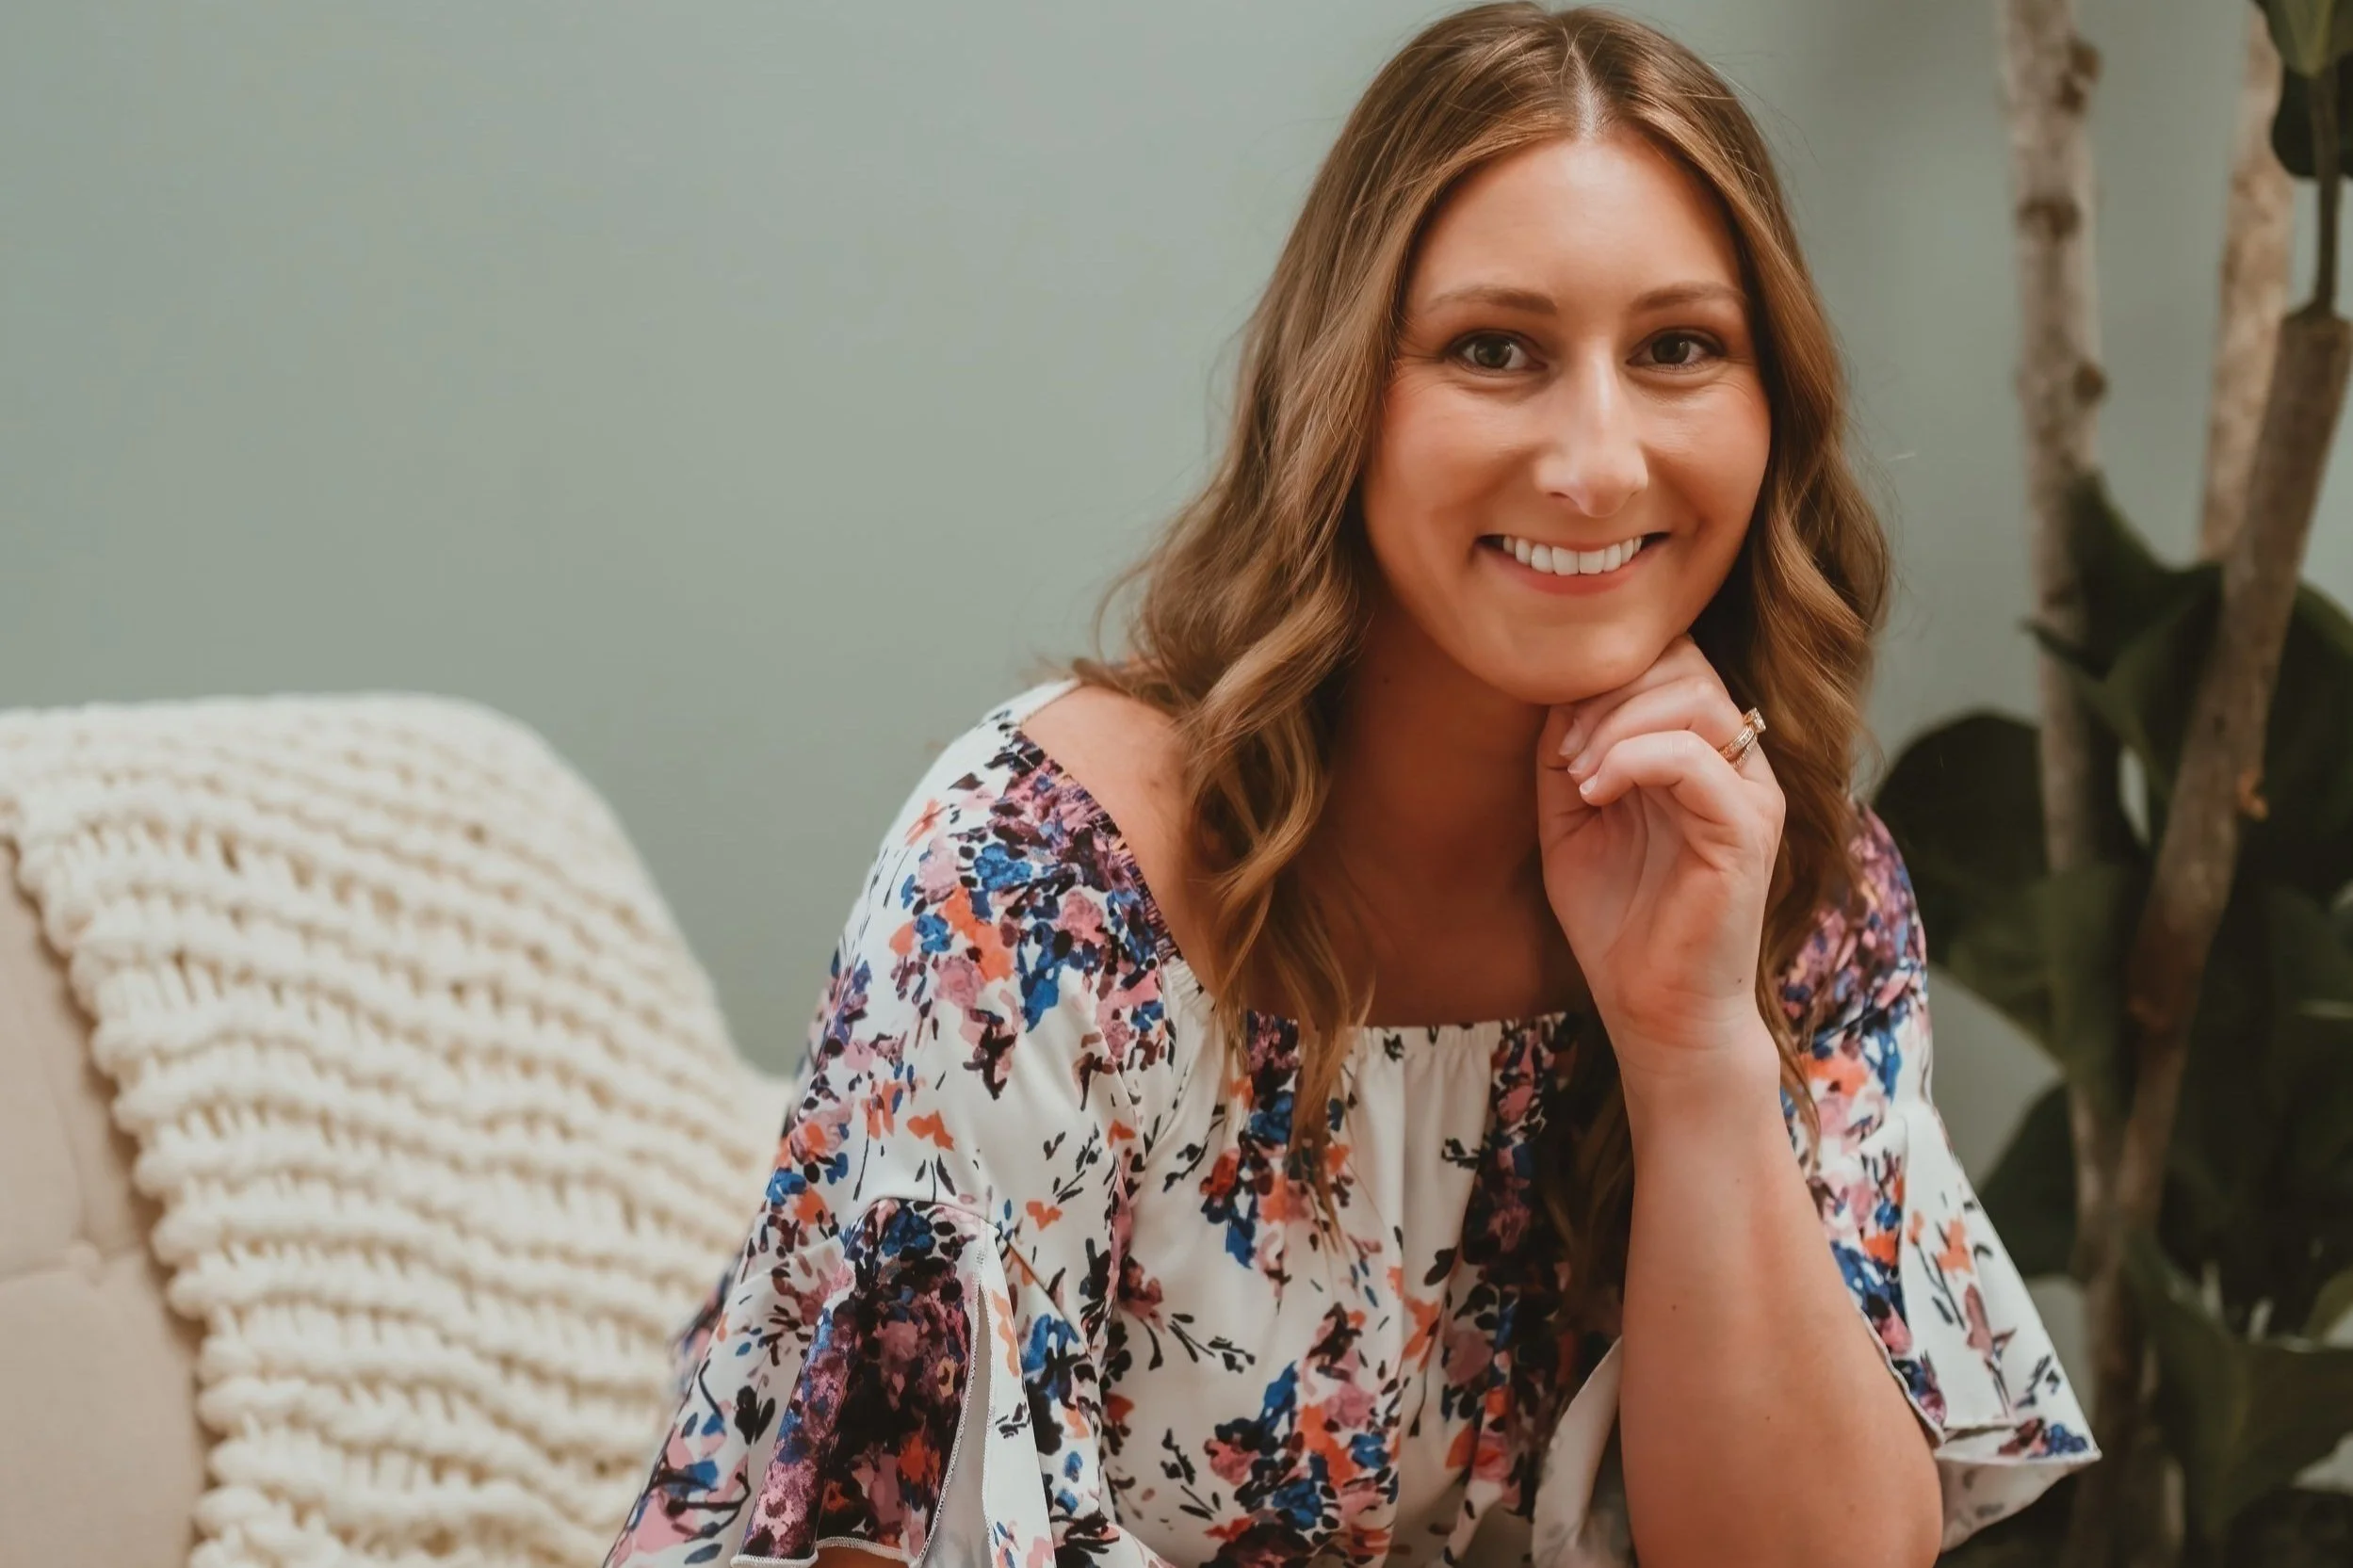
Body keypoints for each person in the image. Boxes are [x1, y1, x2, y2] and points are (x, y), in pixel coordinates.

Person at [602, 6, 2094, 1565]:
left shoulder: (1791, 884)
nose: (1596, 461)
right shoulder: (1035, 886)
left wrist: (1695, 1047)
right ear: (1343, 398)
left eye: (1677, 350)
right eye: (1492, 350)